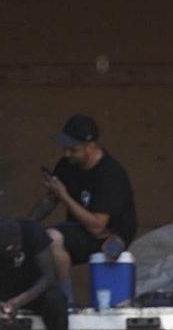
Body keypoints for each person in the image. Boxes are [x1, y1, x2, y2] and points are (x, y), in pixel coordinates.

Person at [30, 114, 138, 266]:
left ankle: (63, 290)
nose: (66, 154)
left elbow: (97, 227)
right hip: (78, 228)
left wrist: (63, 195)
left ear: (91, 147)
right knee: (33, 244)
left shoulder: (109, 174)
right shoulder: (67, 163)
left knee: (52, 239)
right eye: (65, 148)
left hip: (107, 236)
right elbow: (50, 200)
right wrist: (26, 224)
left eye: (73, 149)